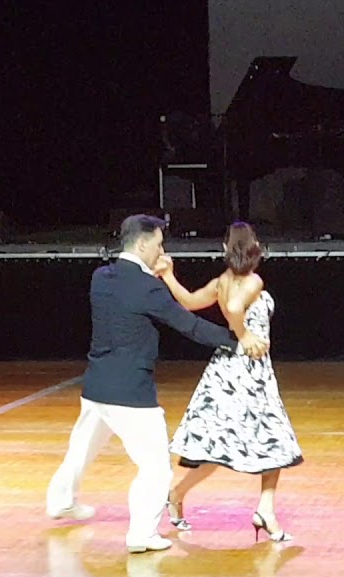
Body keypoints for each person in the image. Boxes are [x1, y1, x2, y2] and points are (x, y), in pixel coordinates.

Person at [46, 214, 270, 554]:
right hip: (129, 393)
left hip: (96, 387)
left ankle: (61, 501)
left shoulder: (101, 277)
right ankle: (142, 533)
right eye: (159, 245)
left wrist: (154, 276)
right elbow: (190, 325)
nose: (162, 252)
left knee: (81, 449)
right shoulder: (147, 288)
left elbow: (130, 293)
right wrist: (240, 340)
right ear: (142, 244)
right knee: (156, 468)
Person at [154, 222, 303, 542]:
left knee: (222, 446)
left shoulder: (221, 282)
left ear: (226, 248)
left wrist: (168, 276)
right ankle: (262, 510)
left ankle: (181, 494)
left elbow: (190, 302)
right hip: (247, 372)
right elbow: (234, 308)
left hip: (227, 370)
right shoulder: (253, 281)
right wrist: (244, 334)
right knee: (273, 441)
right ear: (255, 247)